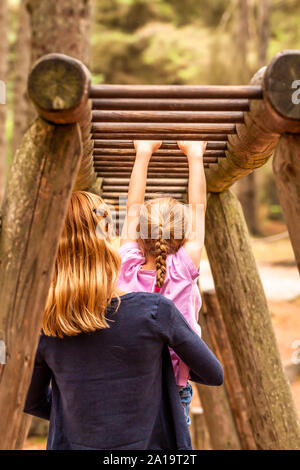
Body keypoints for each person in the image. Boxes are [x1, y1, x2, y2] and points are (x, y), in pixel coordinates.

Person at [24, 191, 223, 450]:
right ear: (108, 238)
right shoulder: (154, 312)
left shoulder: (47, 324)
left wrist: (80, 418)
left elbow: (32, 401)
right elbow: (213, 373)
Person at [117, 140, 207, 425]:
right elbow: (199, 208)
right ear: (183, 235)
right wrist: (195, 156)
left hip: (129, 382)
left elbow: (132, 207)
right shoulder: (184, 266)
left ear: (140, 235)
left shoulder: (127, 264)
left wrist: (142, 154)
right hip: (174, 387)